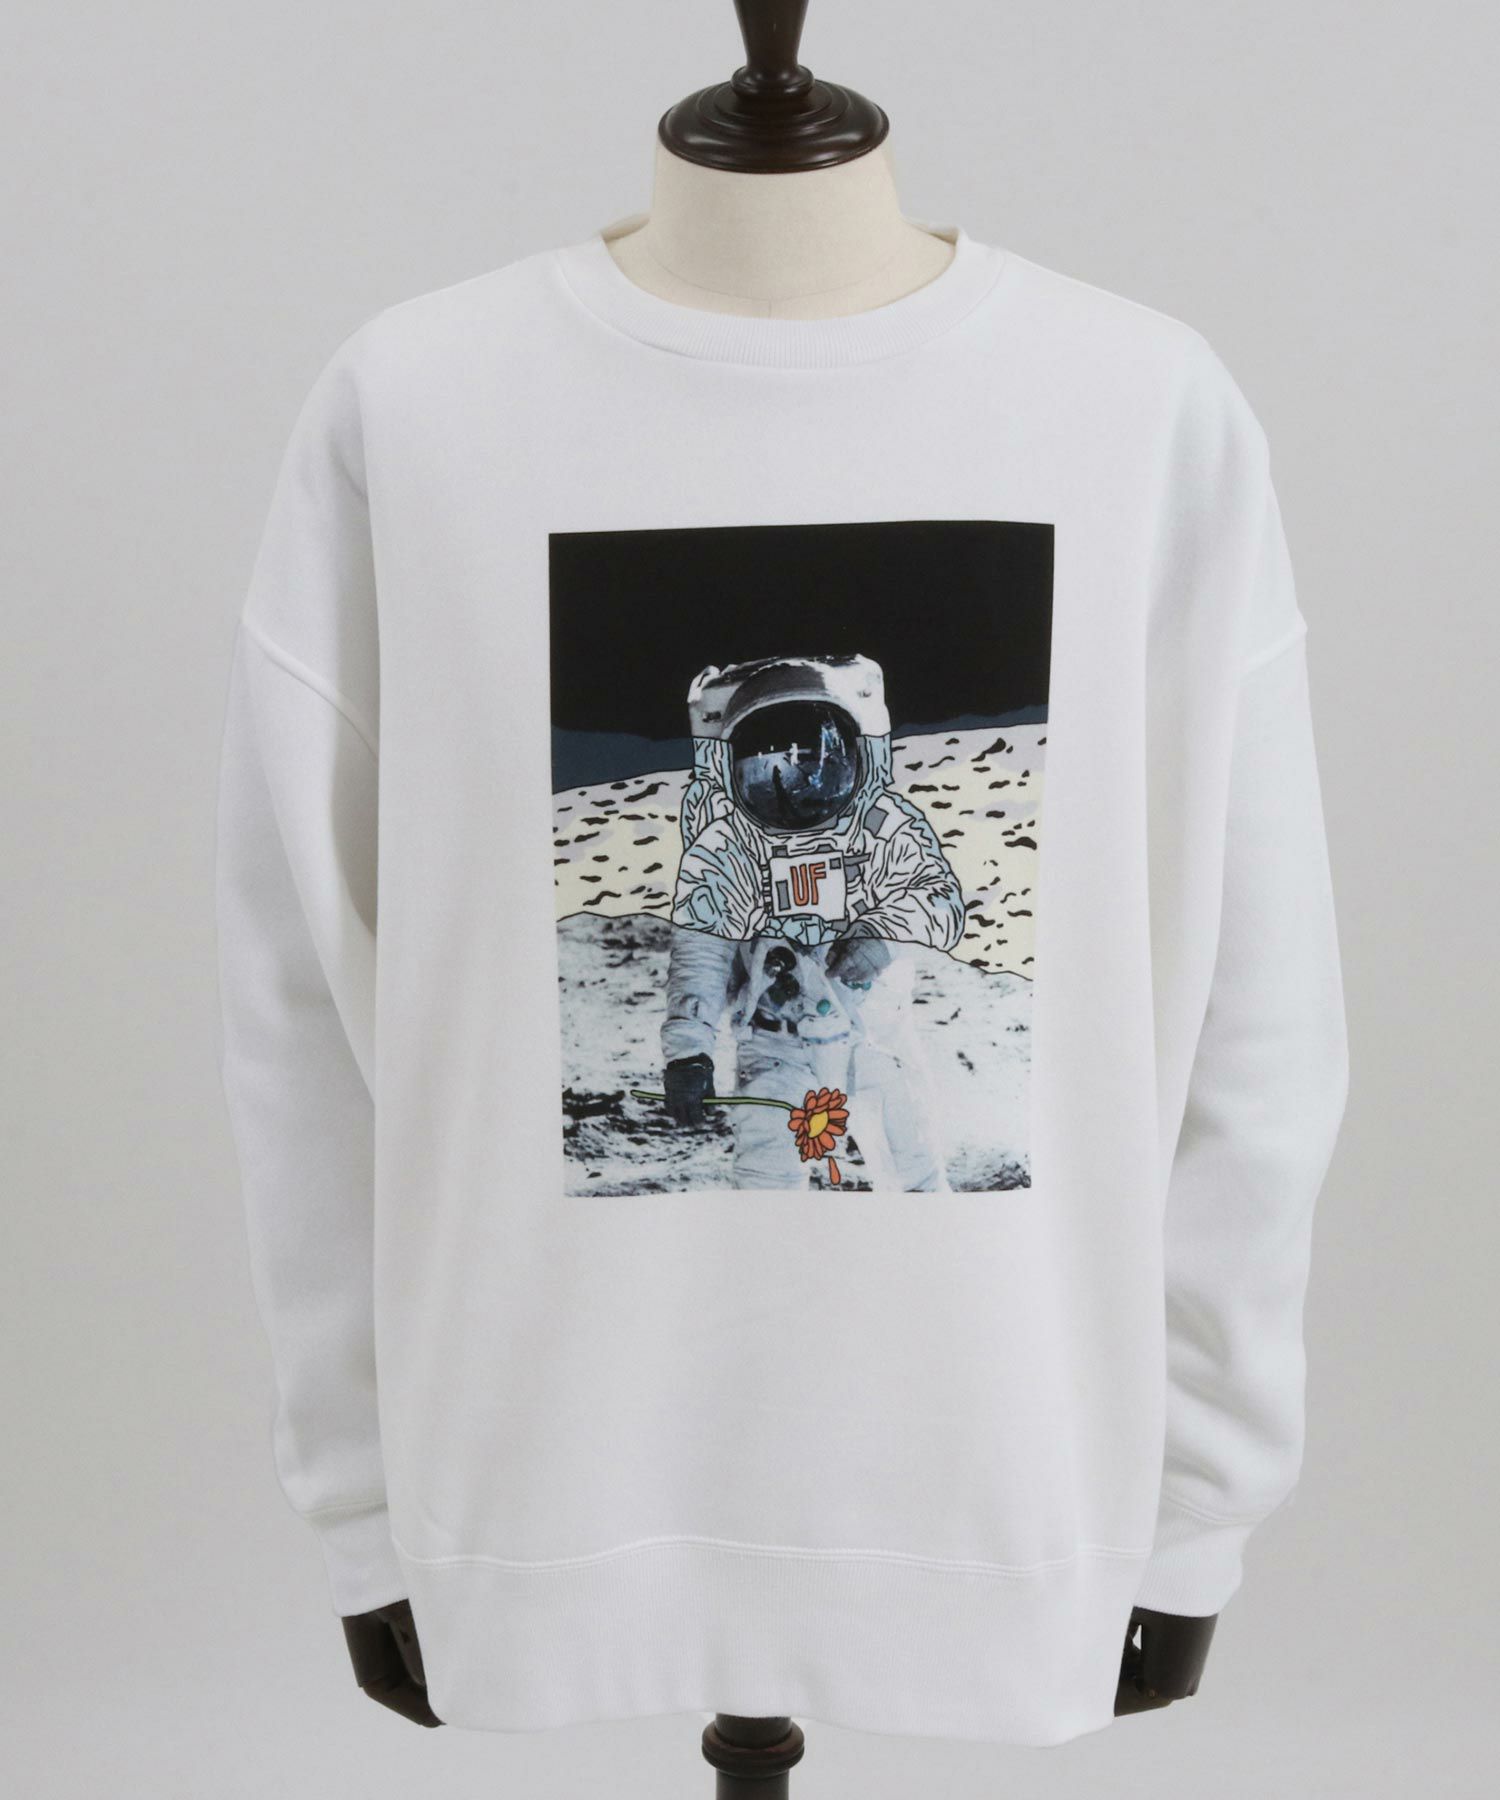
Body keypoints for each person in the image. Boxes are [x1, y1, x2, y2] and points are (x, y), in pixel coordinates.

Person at [659, 654, 964, 1190]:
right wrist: (689, 1052)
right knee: (766, 1181)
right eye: (768, 769)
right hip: (775, 1042)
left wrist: (881, 938)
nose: (795, 786)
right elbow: (702, 951)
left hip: (872, 1030)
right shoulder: (728, 847)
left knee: (912, 1164)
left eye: (814, 763)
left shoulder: (881, 826)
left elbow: (940, 902)